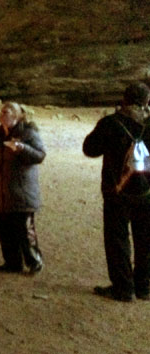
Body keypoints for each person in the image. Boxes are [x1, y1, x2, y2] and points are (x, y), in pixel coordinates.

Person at [83, 82, 150, 302]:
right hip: (147, 191)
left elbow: (89, 149)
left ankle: (123, 287)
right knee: (145, 239)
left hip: (117, 190)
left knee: (117, 239)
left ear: (124, 99)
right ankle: (144, 287)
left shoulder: (111, 123)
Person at [0, 101, 45, 274]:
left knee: (24, 228)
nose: (1, 115)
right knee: (4, 227)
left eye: (5, 112)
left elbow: (39, 155)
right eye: (0, 112)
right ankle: (12, 263)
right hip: (1, 189)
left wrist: (22, 148)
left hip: (21, 189)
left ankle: (34, 261)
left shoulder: (28, 133)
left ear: (15, 115)